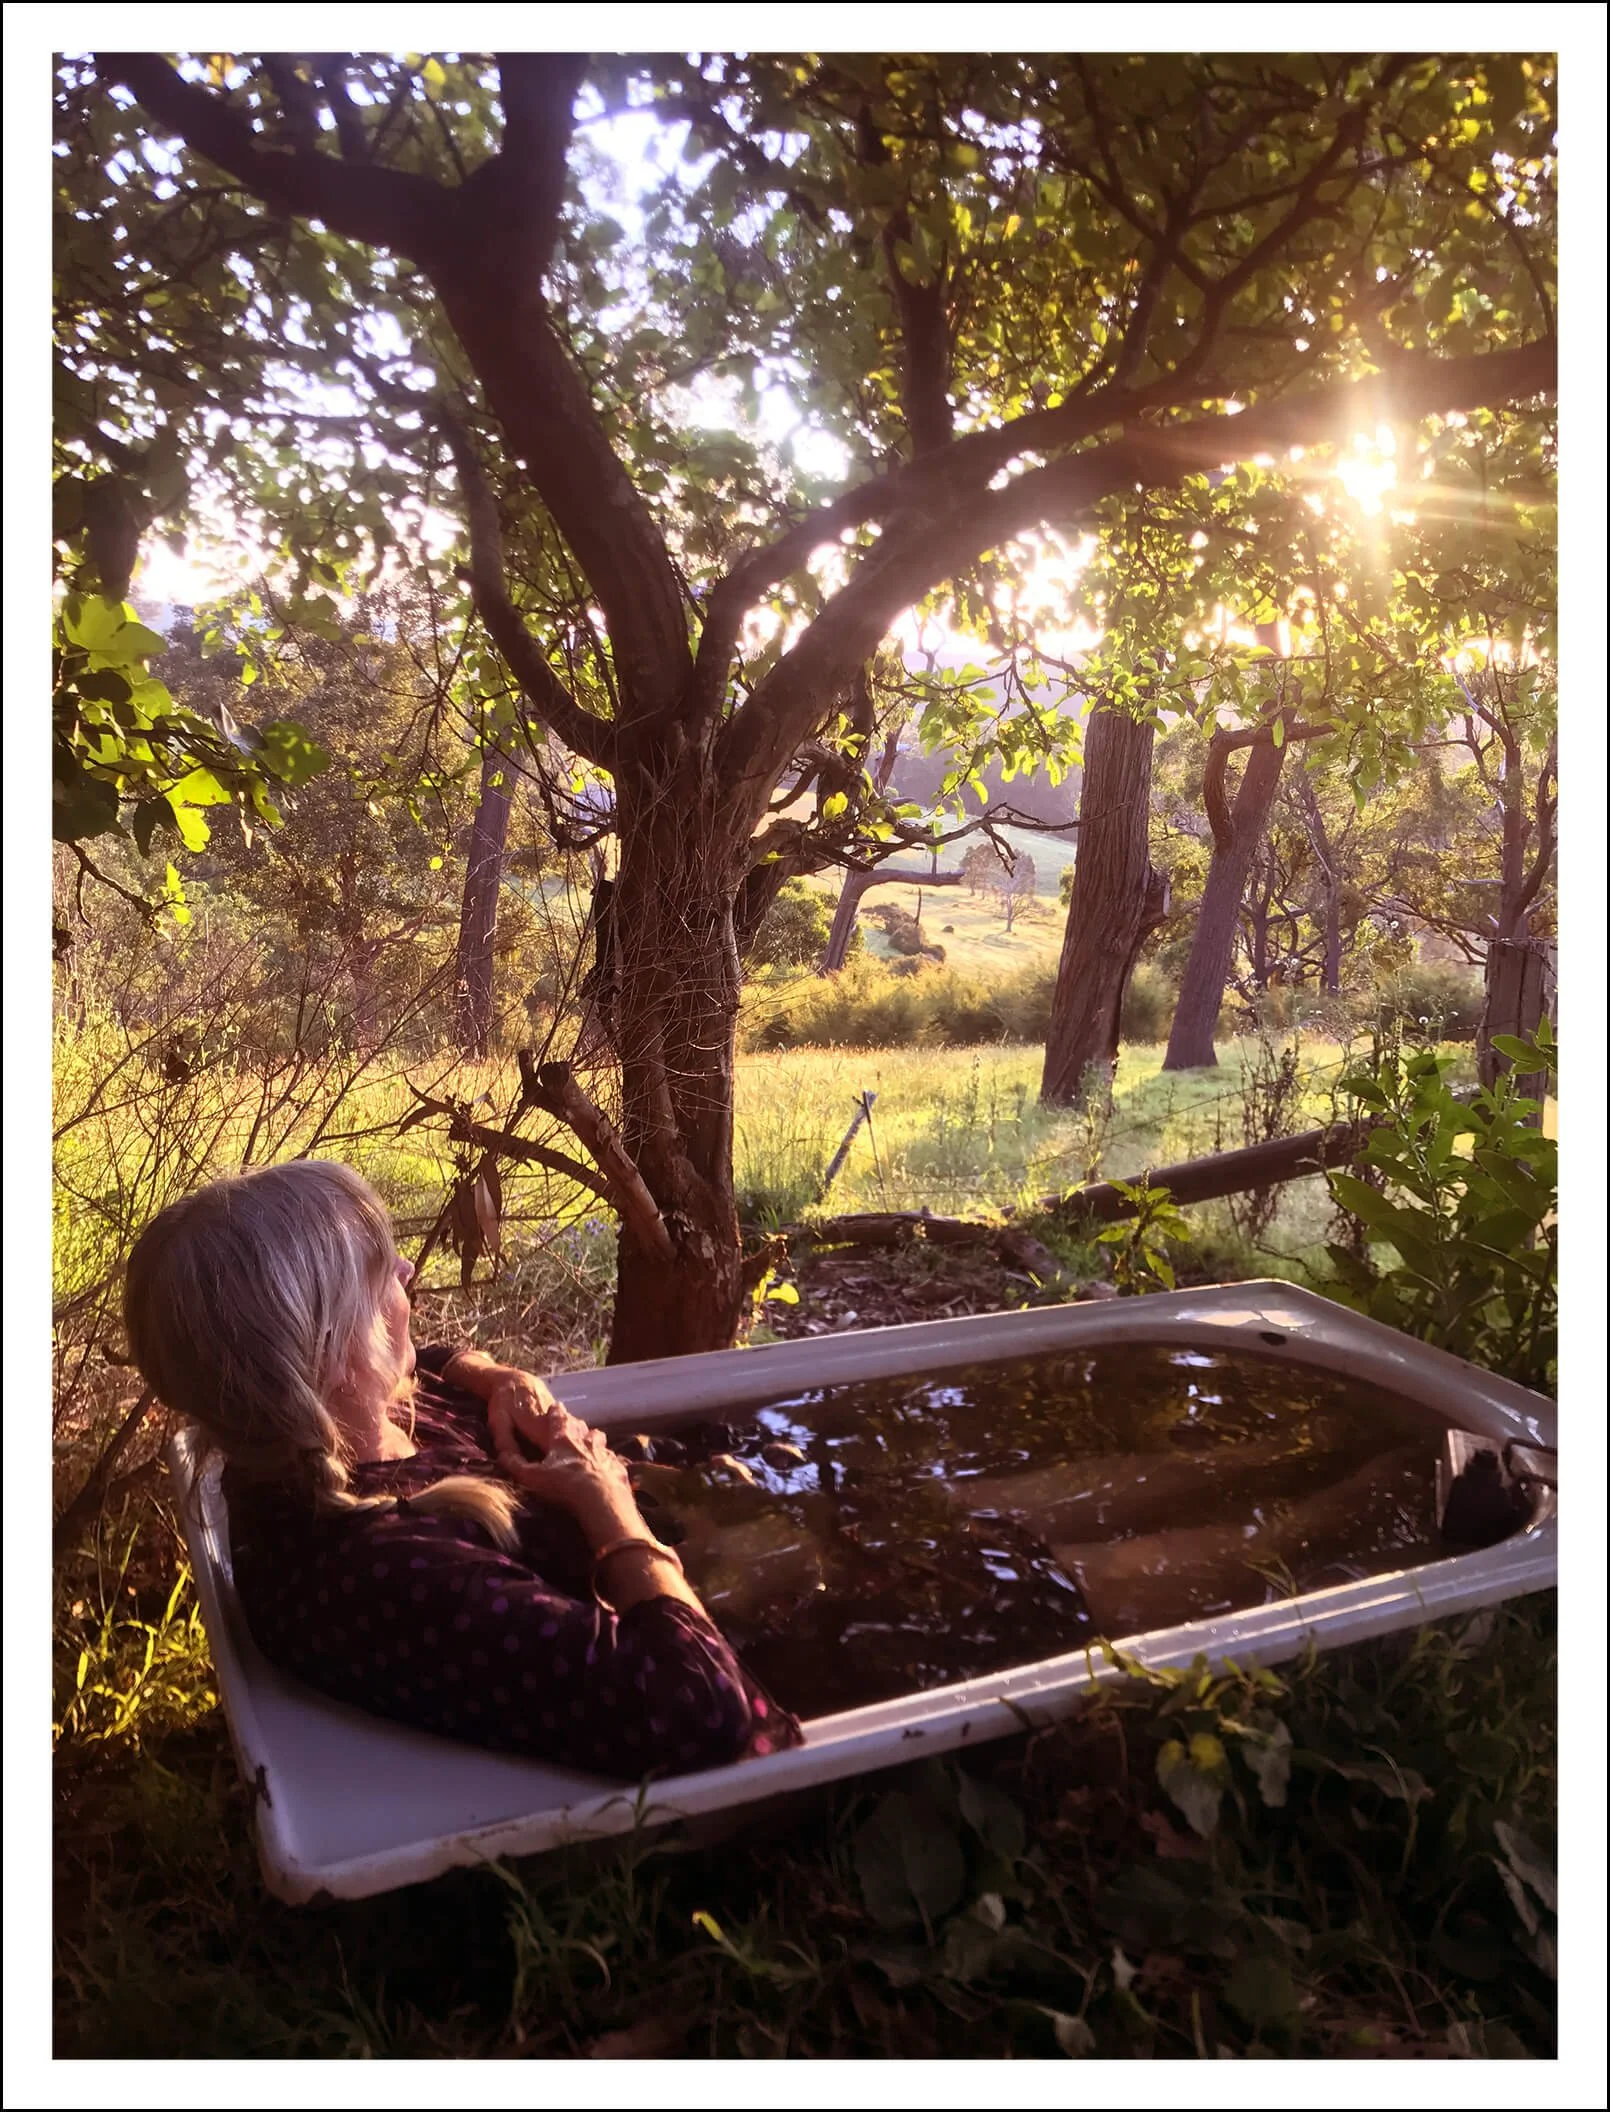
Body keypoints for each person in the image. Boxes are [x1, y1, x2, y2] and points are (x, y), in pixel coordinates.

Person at [124, 1160, 800, 1777]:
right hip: (717, 1636)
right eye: (376, 1269)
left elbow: (438, 1355)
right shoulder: (379, 1574)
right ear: (328, 1347)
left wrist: (500, 1378)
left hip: (690, 1524)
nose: (407, 1272)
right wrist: (612, 1510)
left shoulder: (314, 1430)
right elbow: (704, 1711)